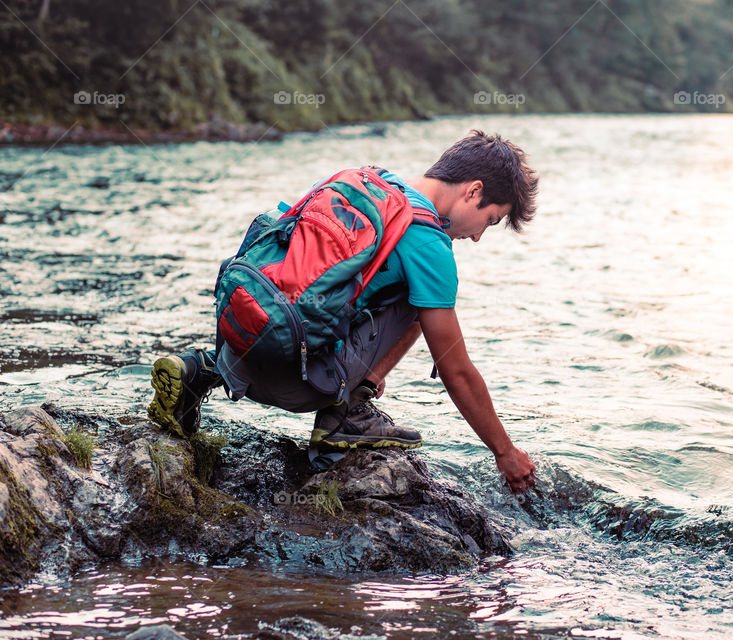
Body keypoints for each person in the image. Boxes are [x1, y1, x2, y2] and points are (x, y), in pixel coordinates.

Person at [148, 130, 538, 493]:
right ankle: (346, 415)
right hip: (300, 387)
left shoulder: (364, 181)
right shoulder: (428, 242)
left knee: (387, 293)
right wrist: (505, 453)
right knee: (428, 302)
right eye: (489, 220)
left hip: (240, 357)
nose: (476, 236)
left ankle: (199, 369)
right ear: (474, 191)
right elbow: (457, 371)